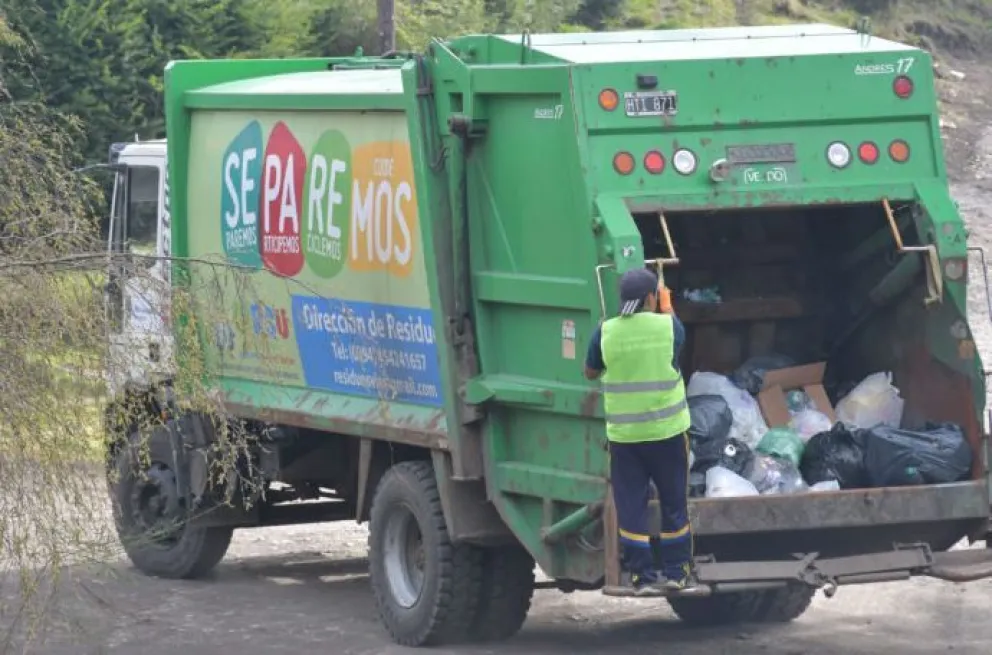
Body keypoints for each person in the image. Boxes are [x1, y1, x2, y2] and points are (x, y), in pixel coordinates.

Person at [584, 267, 695, 596]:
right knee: (674, 503)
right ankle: (677, 573)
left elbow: (590, 372)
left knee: (631, 507)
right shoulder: (667, 327)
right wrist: (668, 305)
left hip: (626, 439)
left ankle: (642, 578)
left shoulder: (605, 331)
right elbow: (678, 345)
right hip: (668, 435)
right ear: (651, 297)